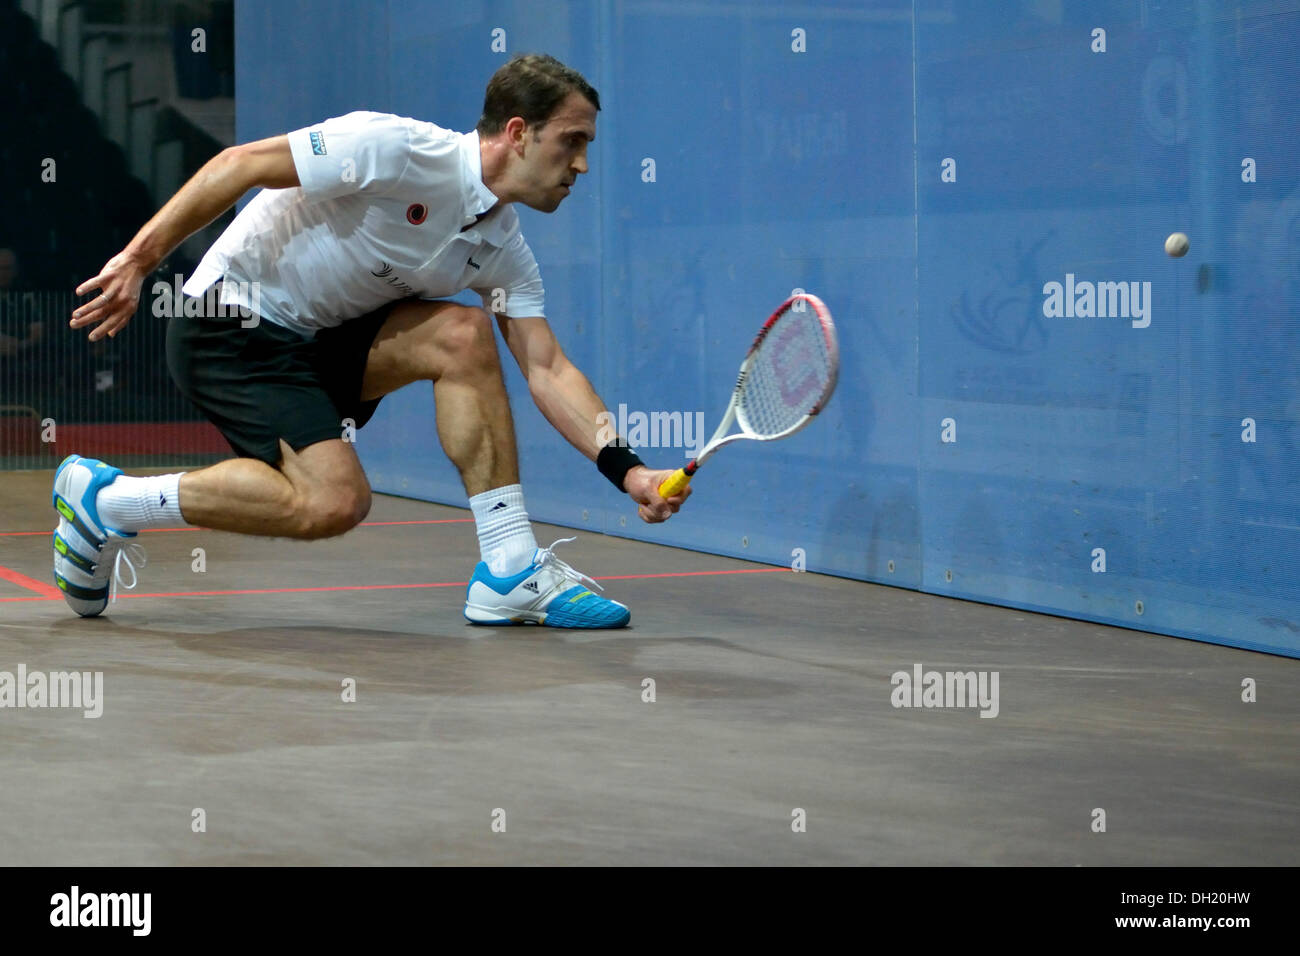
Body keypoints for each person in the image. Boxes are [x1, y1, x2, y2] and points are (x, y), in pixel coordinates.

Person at [54, 54, 689, 626]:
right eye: (572, 141)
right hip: (231, 324)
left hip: (317, 340)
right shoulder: (396, 149)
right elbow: (240, 164)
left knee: (463, 334)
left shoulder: (502, 247)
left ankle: (510, 568)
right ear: (519, 133)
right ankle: (111, 502)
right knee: (335, 501)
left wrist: (629, 473)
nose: (581, 164)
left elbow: (547, 368)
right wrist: (139, 260)